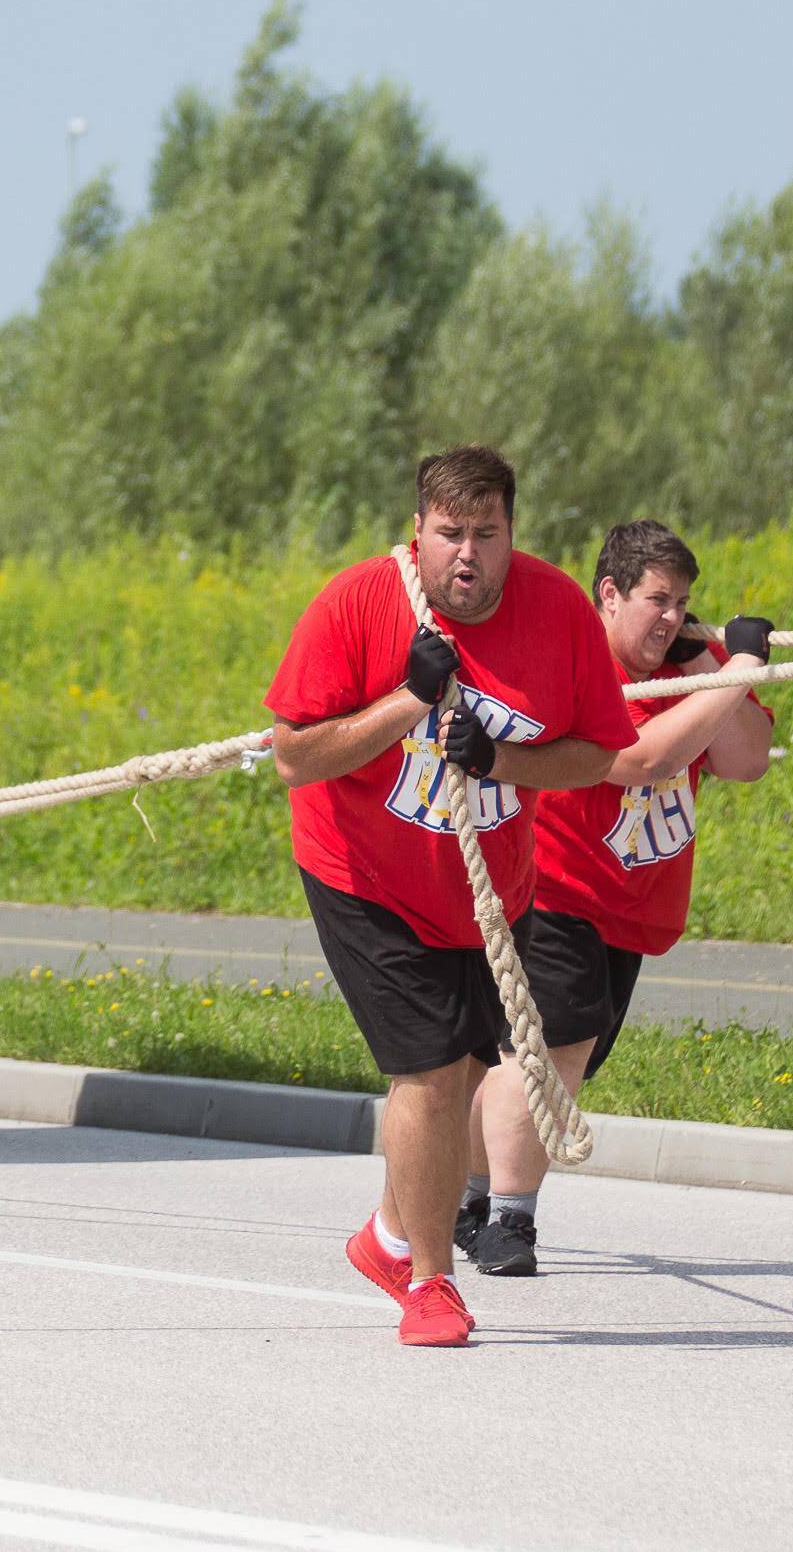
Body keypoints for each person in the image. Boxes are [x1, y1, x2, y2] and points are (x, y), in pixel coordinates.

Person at [266, 445, 636, 1347]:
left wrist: (501, 760)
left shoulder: (556, 612)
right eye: (449, 534)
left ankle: (389, 1237)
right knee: (429, 1074)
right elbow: (293, 755)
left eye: (487, 533)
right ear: (419, 533)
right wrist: (408, 701)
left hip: (485, 889)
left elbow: (600, 751)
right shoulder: (359, 604)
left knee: (467, 1065)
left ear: (513, 534)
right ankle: (431, 1284)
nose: (467, 554)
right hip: (365, 873)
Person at [458, 519, 776, 1275]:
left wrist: (715, 660)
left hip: (632, 906)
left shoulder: (689, 678)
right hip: (559, 891)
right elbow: (640, 759)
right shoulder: (581, 666)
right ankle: (509, 1220)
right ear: (610, 594)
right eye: (657, 600)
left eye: (683, 603)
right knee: (545, 1055)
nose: (670, 618)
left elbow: (747, 759)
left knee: (547, 1059)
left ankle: (466, 1202)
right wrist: (738, 672)